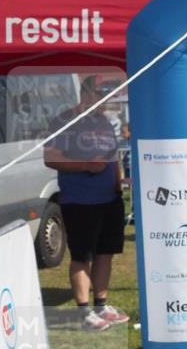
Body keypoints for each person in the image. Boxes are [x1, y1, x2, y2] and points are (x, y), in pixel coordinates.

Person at [43, 75, 131, 332]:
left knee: (106, 254)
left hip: (109, 199)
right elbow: (50, 158)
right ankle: (84, 313)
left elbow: (111, 156)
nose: (105, 102)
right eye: (101, 95)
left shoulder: (104, 121)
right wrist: (84, 166)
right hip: (80, 201)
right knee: (82, 256)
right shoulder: (63, 121)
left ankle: (101, 305)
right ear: (86, 94)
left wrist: (118, 185)